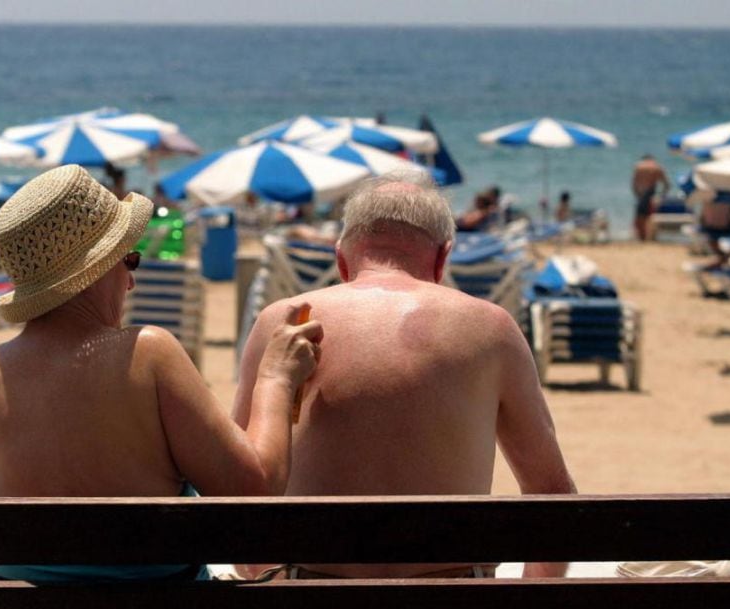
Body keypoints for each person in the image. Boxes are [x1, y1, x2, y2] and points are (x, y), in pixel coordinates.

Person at [0, 165, 323, 583]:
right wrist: (276, 379)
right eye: (130, 260)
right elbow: (255, 495)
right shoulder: (146, 354)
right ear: (98, 270)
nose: (131, 284)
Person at [234, 172, 576, 580]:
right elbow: (553, 499)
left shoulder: (284, 323)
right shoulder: (491, 329)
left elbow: (235, 490)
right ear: (442, 257)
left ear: (342, 259)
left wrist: (267, 577)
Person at [631, 154, 670, 241]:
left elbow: (634, 184)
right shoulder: (657, 167)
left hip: (641, 195)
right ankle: (649, 237)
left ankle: (641, 238)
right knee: (649, 217)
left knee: (640, 217)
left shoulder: (638, 167)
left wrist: (637, 195)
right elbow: (667, 185)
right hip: (651, 193)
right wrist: (660, 196)